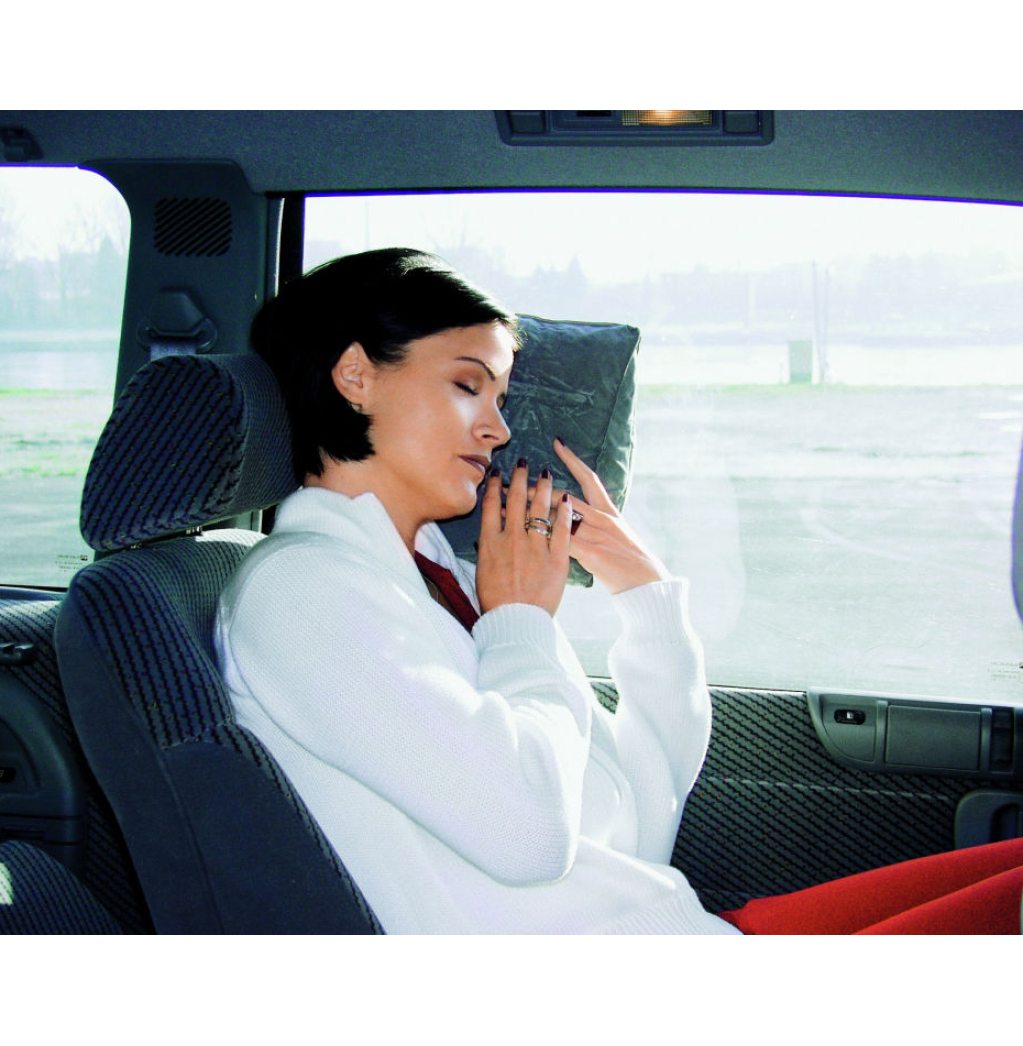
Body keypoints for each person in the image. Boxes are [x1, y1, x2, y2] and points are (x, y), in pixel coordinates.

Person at [214, 248, 1023, 934]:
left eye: (501, 398)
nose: (498, 428)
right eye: (467, 385)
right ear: (356, 375)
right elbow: (529, 834)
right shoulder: (302, 592)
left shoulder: (441, 579)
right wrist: (521, 619)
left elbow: (640, 805)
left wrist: (645, 599)